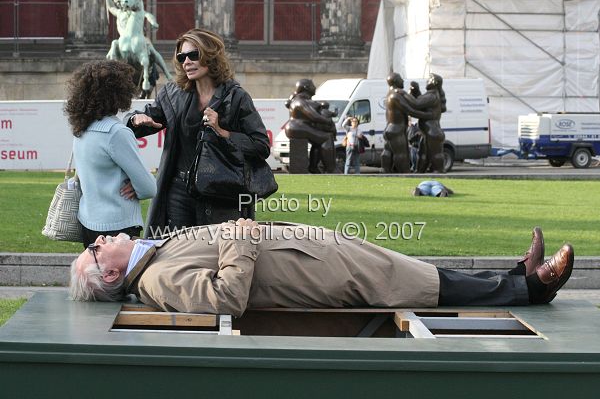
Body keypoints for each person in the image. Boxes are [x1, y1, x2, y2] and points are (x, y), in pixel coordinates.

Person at [70, 220, 573, 317]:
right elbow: (224, 300)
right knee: (421, 285)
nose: (98, 241)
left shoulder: (152, 258)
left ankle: (517, 277)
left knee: (419, 274)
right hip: (320, 275)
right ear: (111, 277)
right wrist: (243, 240)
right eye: (94, 252)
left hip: (316, 256)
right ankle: (531, 288)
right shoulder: (157, 279)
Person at [126, 28, 270, 238]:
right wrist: (135, 119)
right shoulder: (173, 94)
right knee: (177, 252)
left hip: (221, 191)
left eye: (194, 55)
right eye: (182, 57)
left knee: (217, 253)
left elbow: (260, 145)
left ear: (210, 56)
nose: (187, 62)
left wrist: (222, 131)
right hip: (178, 191)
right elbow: (144, 119)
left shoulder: (236, 97)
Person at [64, 60, 157, 248]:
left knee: (96, 276)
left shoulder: (82, 129)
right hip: (119, 227)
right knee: (122, 278)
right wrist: (139, 185)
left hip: (88, 222)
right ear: (119, 93)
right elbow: (149, 188)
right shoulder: (116, 132)